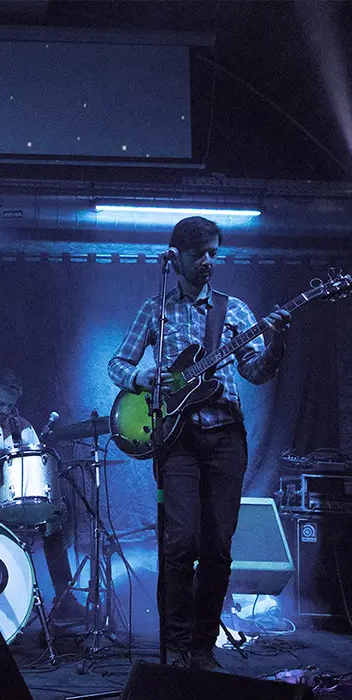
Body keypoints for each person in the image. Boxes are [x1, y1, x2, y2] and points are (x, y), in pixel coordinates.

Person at [107, 216, 291, 670]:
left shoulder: (235, 310)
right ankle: (175, 643)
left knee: (219, 547)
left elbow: (255, 372)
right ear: (177, 258)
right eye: (198, 254)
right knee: (179, 543)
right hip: (178, 440)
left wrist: (275, 343)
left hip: (226, 435)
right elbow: (117, 364)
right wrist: (140, 376)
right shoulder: (156, 310)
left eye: (213, 253)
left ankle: (202, 646)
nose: (208, 261)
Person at [0, 369, 84, 620]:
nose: (5, 410)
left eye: (11, 406)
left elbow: (38, 465)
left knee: (54, 525)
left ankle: (65, 600)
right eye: (1, 403)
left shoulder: (23, 428)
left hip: (21, 499)